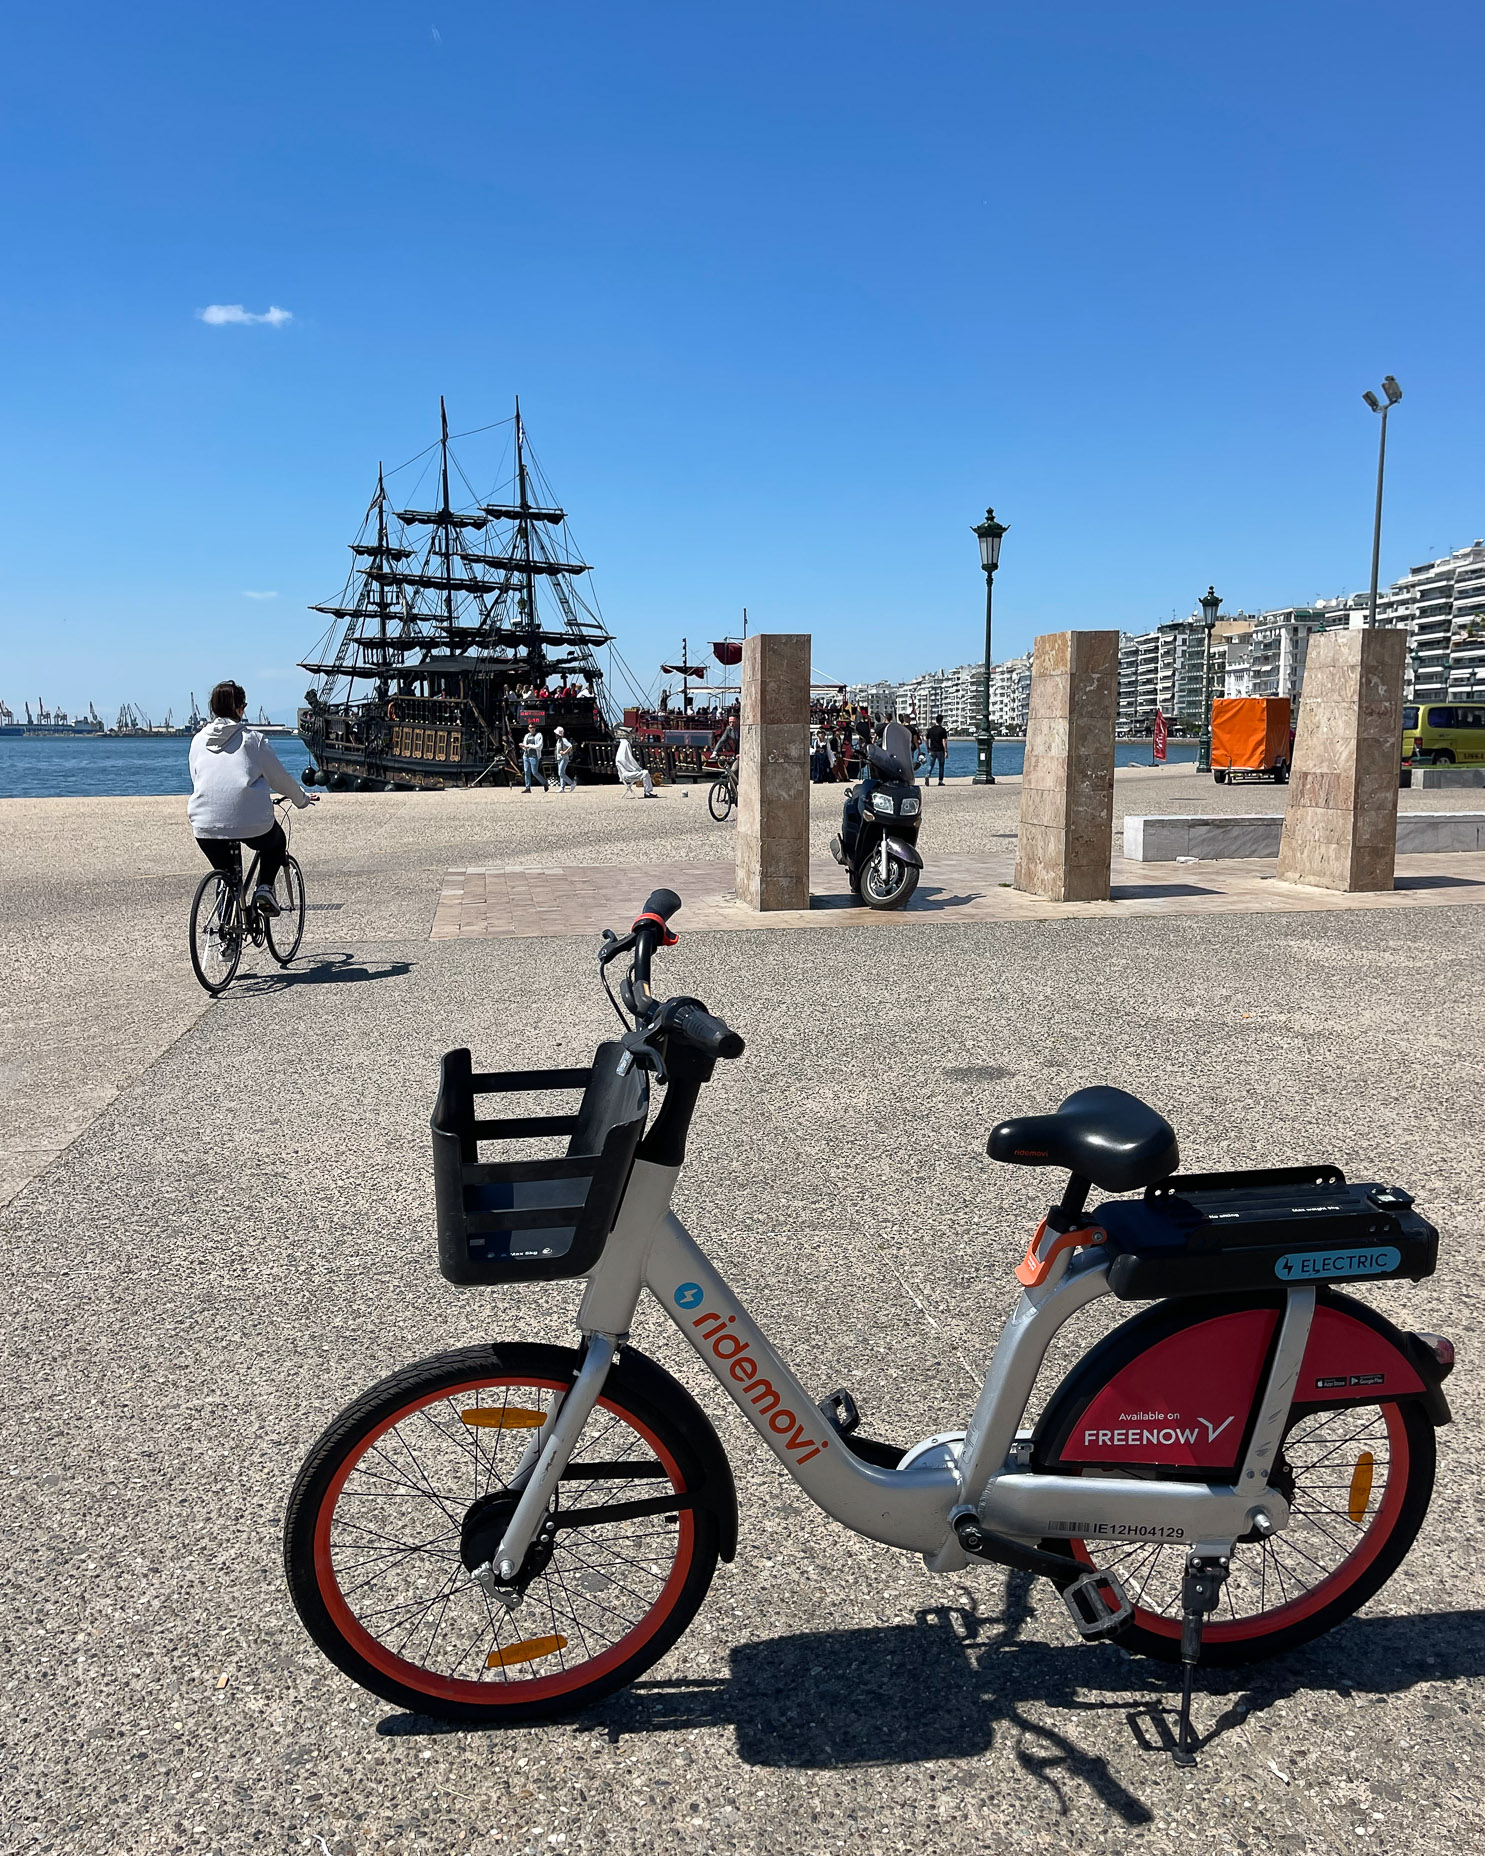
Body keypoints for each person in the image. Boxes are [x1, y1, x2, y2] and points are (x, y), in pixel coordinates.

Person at [188, 680, 316, 915]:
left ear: (213, 708)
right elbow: (279, 779)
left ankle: (225, 927)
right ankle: (264, 889)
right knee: (276, 842)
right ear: (240, 709)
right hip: (252, 823)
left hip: (205, 824)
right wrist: (301, 800)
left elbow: (197, 779)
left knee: (227, 876)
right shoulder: (253, 740)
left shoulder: (197, 741)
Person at [614, 727, 655, 797]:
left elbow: (625, 760)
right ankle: (647, 792)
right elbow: (627, 760)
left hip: (624, 772)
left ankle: (648, 792)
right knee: (645, 773)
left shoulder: (623, 744)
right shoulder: (626, 744)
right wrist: (636, 768)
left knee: (644, 772)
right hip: (626, 774)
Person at [520, 722, 547, 793]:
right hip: (526, 755)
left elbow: (539, 746)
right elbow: (525, 745)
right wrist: (523, 746)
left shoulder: (539, 735)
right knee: (526, 771)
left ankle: (544, 782)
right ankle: (527, 787)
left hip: (534, 756)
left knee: (534, 772)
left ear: (535, 728)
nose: (532, 729)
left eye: (533, 727)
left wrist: (529, 746)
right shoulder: (526, 736)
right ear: (528, 728)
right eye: (530, 728)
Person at [925, 714, 949, 786]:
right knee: (941, 765)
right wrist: (946, 751)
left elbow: (926, 739)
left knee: (931, 764)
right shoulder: (942, 730)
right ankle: (940, 781)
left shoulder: (931, 730)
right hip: (940, 750)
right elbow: (944, 741)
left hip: (932, 749)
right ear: (941, 721)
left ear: (936, 720)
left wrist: (928, 747)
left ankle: (927, 775)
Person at [554, 726, 576, 792]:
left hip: (564, 758)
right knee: (562, 773)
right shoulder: (559, 741)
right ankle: (562, 788)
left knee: (560, 773)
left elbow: (570, 746)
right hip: (560, 758)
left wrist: (564, 752)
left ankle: (571, 783)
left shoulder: (564, 740)